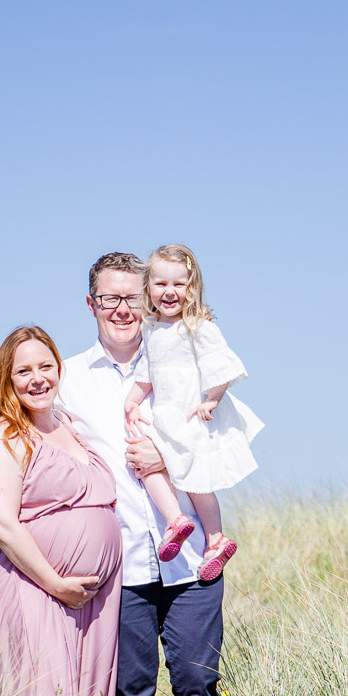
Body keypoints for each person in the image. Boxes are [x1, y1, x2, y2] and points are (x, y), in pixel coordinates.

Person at [56, 253, 229, 696]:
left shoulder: (184, 355)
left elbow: (223, 442)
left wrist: (170, 462)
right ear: (92, 305)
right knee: (128, 694)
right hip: (121, 564)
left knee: (197, 682)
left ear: (150, 299)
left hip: (192, 561)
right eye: (111, 298)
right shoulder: (69, 380)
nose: (124, 309)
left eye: (133, 297)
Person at [0, 325, 122, 696]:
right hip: (34, 588)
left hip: (95, 599)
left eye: (45, 366)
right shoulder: (4, 435)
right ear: (8, 379)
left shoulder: (72, 428)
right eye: (24, 371)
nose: (37, 378)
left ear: (60, 369)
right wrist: (56, 582)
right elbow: (2, 522)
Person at [124, 243, 264, 580]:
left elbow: (222, 365)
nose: (169, 292)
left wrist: (212, 399)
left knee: (198, 481)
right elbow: (147, 373)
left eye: (178, 284)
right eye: (160, 284)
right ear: (148, 288)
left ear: (192, 287)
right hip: (167, 415)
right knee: (147, 466)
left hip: (191, 413)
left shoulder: (197, 325)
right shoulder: (151, 328)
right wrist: (131, 400)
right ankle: (177, 521)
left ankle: (215, 539)